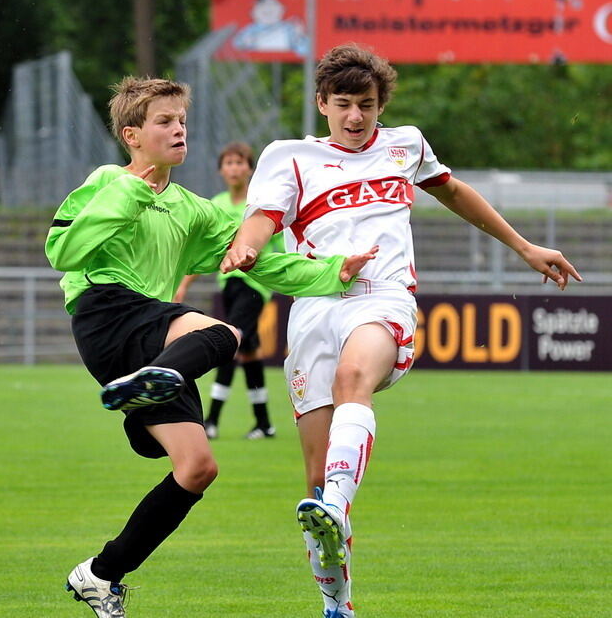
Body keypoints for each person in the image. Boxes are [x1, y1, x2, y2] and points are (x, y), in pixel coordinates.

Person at [221, 44, 582, 618]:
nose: (357, 117)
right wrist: (248, 244)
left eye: (367, 105)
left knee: (352, 380)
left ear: (381, 104)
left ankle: (339, 503)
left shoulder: (405, 144)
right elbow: (264, 217)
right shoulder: (287, 157)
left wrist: (525, 246)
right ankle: (337, 602)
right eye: (344, 105)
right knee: (315, 483)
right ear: (322, 104)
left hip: (383, 297)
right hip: (314, 307)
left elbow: (453, 191)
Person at [46, 75, 379, 618]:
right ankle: (147, 400)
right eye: (164, 122)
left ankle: (101, 574)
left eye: (182, 121)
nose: (178, 130)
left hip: (149, 340)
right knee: (223, 332)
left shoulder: (192, 209)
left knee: (197, 467)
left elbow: (259, 259)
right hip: (104, 313)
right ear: (132, 135)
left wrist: (332, 273)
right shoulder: (108, 181)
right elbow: (62, 248)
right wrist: (132, 192)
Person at [174, 141, 279, 440]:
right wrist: (183, 285)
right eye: (228, 163)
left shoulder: (260, 204)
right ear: (221, 170)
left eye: (239, 162)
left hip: (254, 285)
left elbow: (281, 248)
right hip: (228, 286)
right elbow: (204, 251)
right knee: (249, 351)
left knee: (229, 341)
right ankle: (263, 423)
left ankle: (212, 420)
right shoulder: (217, 204)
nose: (234, 168)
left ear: (250, 168)